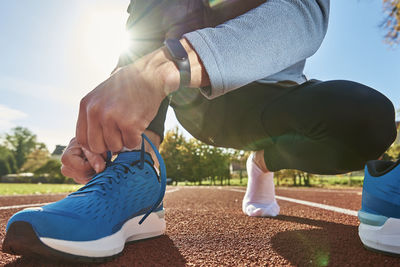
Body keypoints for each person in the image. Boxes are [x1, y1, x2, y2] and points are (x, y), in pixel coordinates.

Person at [3, 0, 397, 262]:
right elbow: (142, 30)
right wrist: (102, 132)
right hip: (199, 103)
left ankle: (262, 161)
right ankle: (134, 166)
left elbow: (303, 13)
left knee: (367, 118)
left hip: (272, 101)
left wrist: (171, 65)